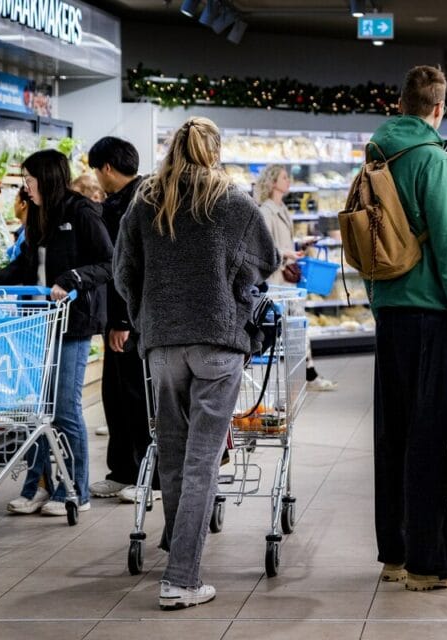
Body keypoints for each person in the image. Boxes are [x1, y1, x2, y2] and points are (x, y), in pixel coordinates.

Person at [114, 116, 278, 610]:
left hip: (162, 344)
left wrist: (147, 314)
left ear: (172, 150)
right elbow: (263, 263)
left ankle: (175, 545)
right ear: (216, 151)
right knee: (205, 460)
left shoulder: (145, 202)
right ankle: (182, 577)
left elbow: (124, 272)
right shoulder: (234, 203)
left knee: (172, 452)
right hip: (218, 342)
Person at [367, 65, 447, 591]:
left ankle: (394, 554)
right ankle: (429, 563)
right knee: (427, 436)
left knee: (391, 434)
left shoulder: (378, 154)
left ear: (401, 103)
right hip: (428, 316)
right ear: (439, 109)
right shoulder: (432, 159)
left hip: (389, 310)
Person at [0, 149, 114, 517]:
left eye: (29, 180)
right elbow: (26, 265)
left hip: (73, 323)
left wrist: (72, 278)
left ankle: (74, 491)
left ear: (47, 177)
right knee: (39, 412)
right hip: (39, 323)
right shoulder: (39, 215)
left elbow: (109, 262)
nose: (25, 188)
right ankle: (37, 488)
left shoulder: (81, 212)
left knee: (64, 410)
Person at [85, 137, 153, 503]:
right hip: (122, 316)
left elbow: (132, 267)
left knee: (136, 395)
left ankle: (146, 474)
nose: (97, 178)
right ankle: (124, 470)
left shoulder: (140, 202)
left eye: (97, 170)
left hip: (135, 319)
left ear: (107, 168)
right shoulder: (122, 201)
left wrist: (123, 321)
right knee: (116, 395)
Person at [253, 164, 337, 391]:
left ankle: (307, 375)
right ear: (272, 183)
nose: (288, 180)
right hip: (276, 282)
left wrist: (300, 244)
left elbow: (282, 244)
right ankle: (307, 376)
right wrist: (285, 254)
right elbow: (264, 250)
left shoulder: (282, 210)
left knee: (298, 326)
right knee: (293, 327)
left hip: (289, 280)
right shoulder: (266, 212)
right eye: (283, 177)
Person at [7, 188, 30, 262]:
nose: (14, 204)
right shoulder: (25, 232)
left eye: (16, 199)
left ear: (23, 204)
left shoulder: (27, 236)